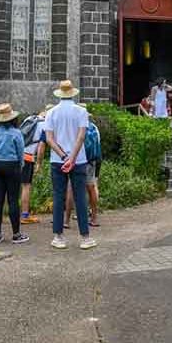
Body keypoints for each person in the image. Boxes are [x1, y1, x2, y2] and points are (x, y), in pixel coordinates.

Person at [45, 80, 97, 250]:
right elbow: (81, 137)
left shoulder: (51, 112)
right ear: (73, 93)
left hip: (57, 160)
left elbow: (49, 139)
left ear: (60, 94)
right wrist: (72, 158)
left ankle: (58, 236)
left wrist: (63, 156)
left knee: (58, 197)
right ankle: (85, 237)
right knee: (80, 197)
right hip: (79, 160)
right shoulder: (81, 111)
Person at [0, 103, 29, 245]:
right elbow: (21, 152)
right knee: (12, 200)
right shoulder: (16, 133)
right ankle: (16, 234)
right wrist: (21, 166)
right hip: (12, 166)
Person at [64, 106, 102, 229]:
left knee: (71, 188)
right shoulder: (94, 127)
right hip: (90, 162)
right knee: (91, 188)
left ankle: (67, 221)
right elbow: (98, 146)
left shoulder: (74, 127)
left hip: (76, 160)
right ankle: (94, 218)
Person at [20, 105, 51, 225]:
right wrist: (39, 163)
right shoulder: (45, 125)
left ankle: (4, 213)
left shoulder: (29, 119)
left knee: (12, 186)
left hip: (16, 155)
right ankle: (25, 215)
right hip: (28, 157)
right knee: (26, 186)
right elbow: (41, 147)